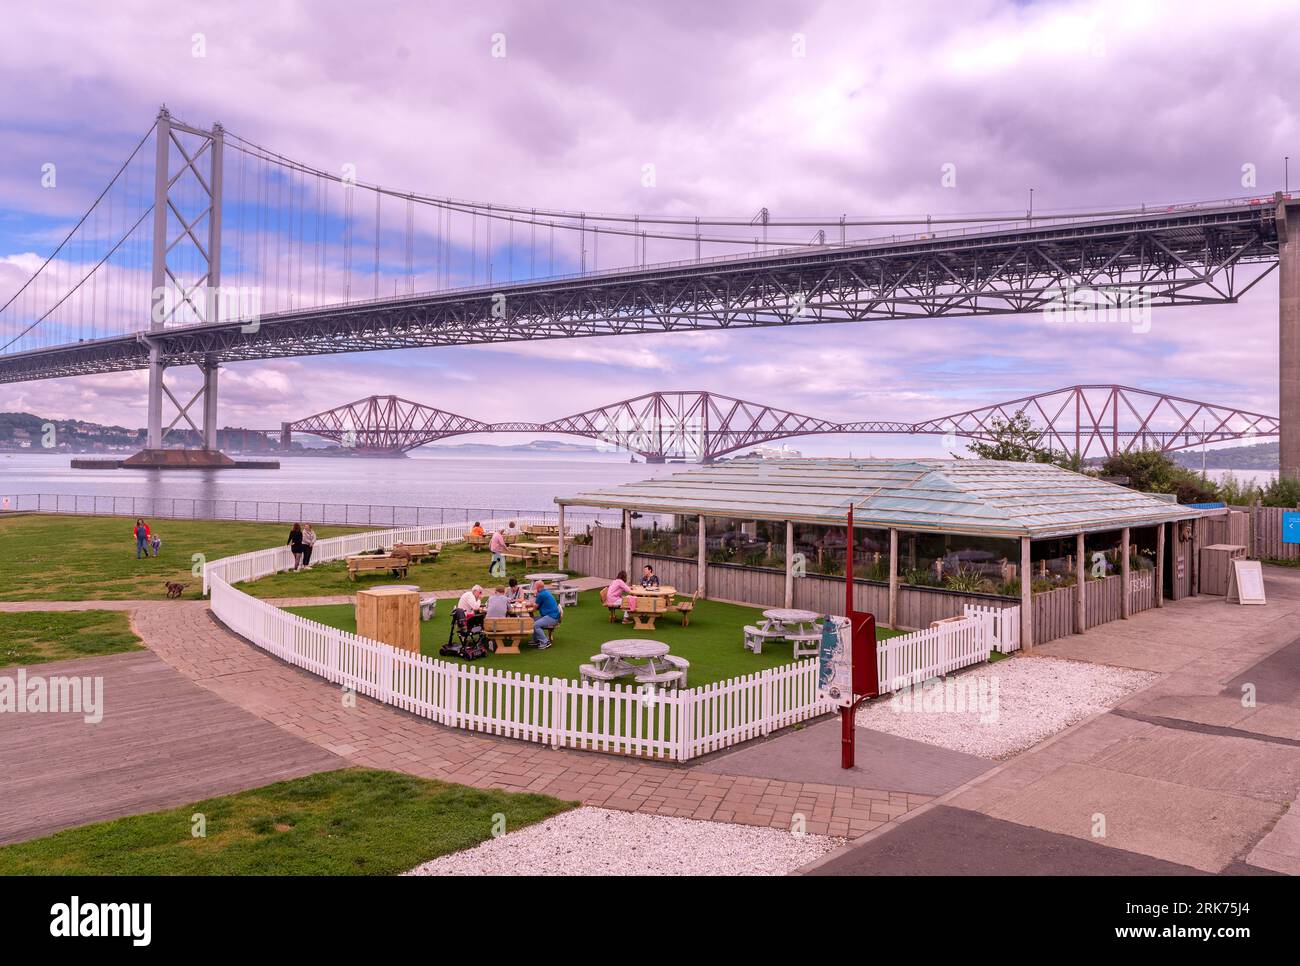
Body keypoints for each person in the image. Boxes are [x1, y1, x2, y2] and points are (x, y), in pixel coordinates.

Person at [531, 580, 560, 649]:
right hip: (552, 616)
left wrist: (530, 604)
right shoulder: (544, 592)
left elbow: (535, 608)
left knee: (536, 625)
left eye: (535, 586)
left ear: (538, 587)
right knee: (531, 620)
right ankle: (537, 640)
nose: (534, 588)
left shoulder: (541, 594)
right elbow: (537, 605)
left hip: (552, 617)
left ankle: (545, 642)